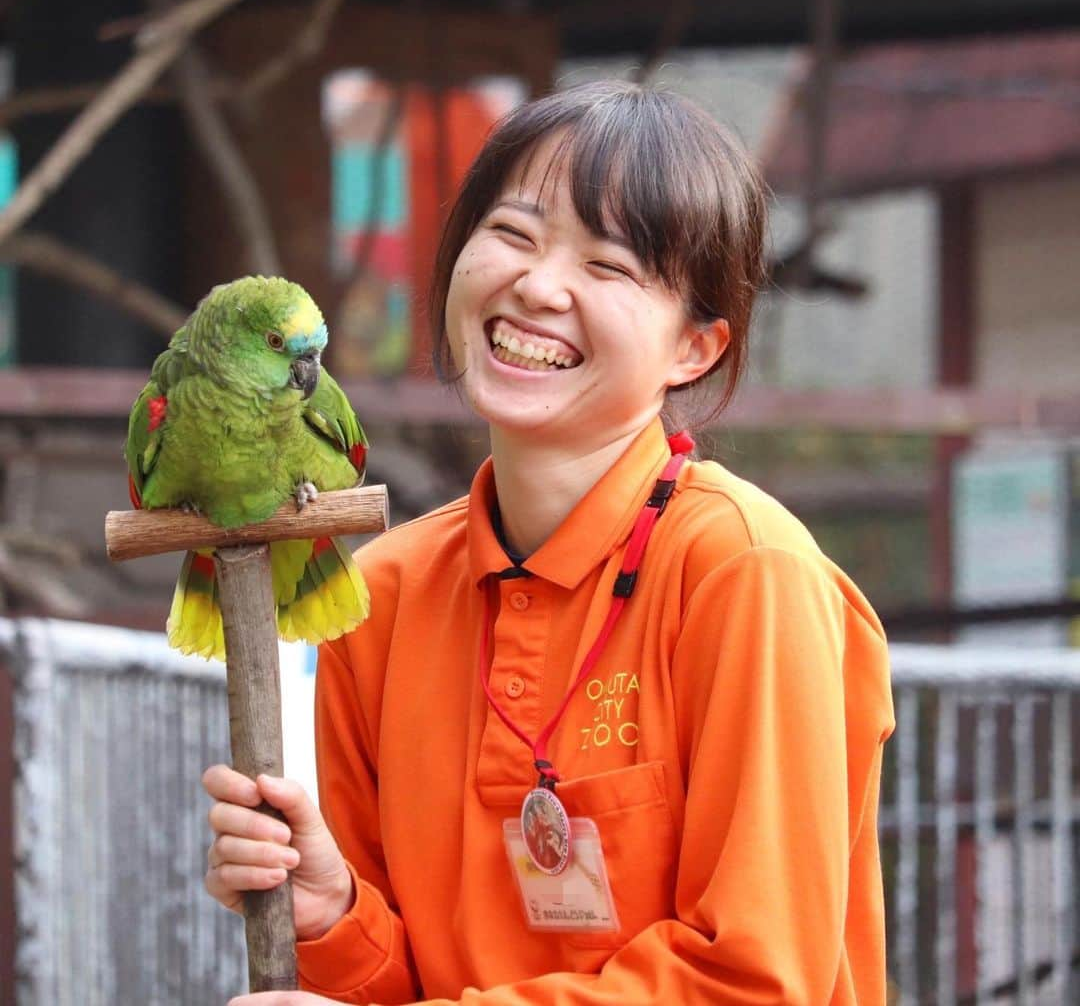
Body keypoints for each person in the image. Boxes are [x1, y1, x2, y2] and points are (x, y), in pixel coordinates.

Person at [204, 81, 895, 1005]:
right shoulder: (381, 594)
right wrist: (331, 915)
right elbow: (398, 985)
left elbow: (755, 983)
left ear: (695, 348)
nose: (537, 285)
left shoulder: (744, 573)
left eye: (608, 267)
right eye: (514, 235)